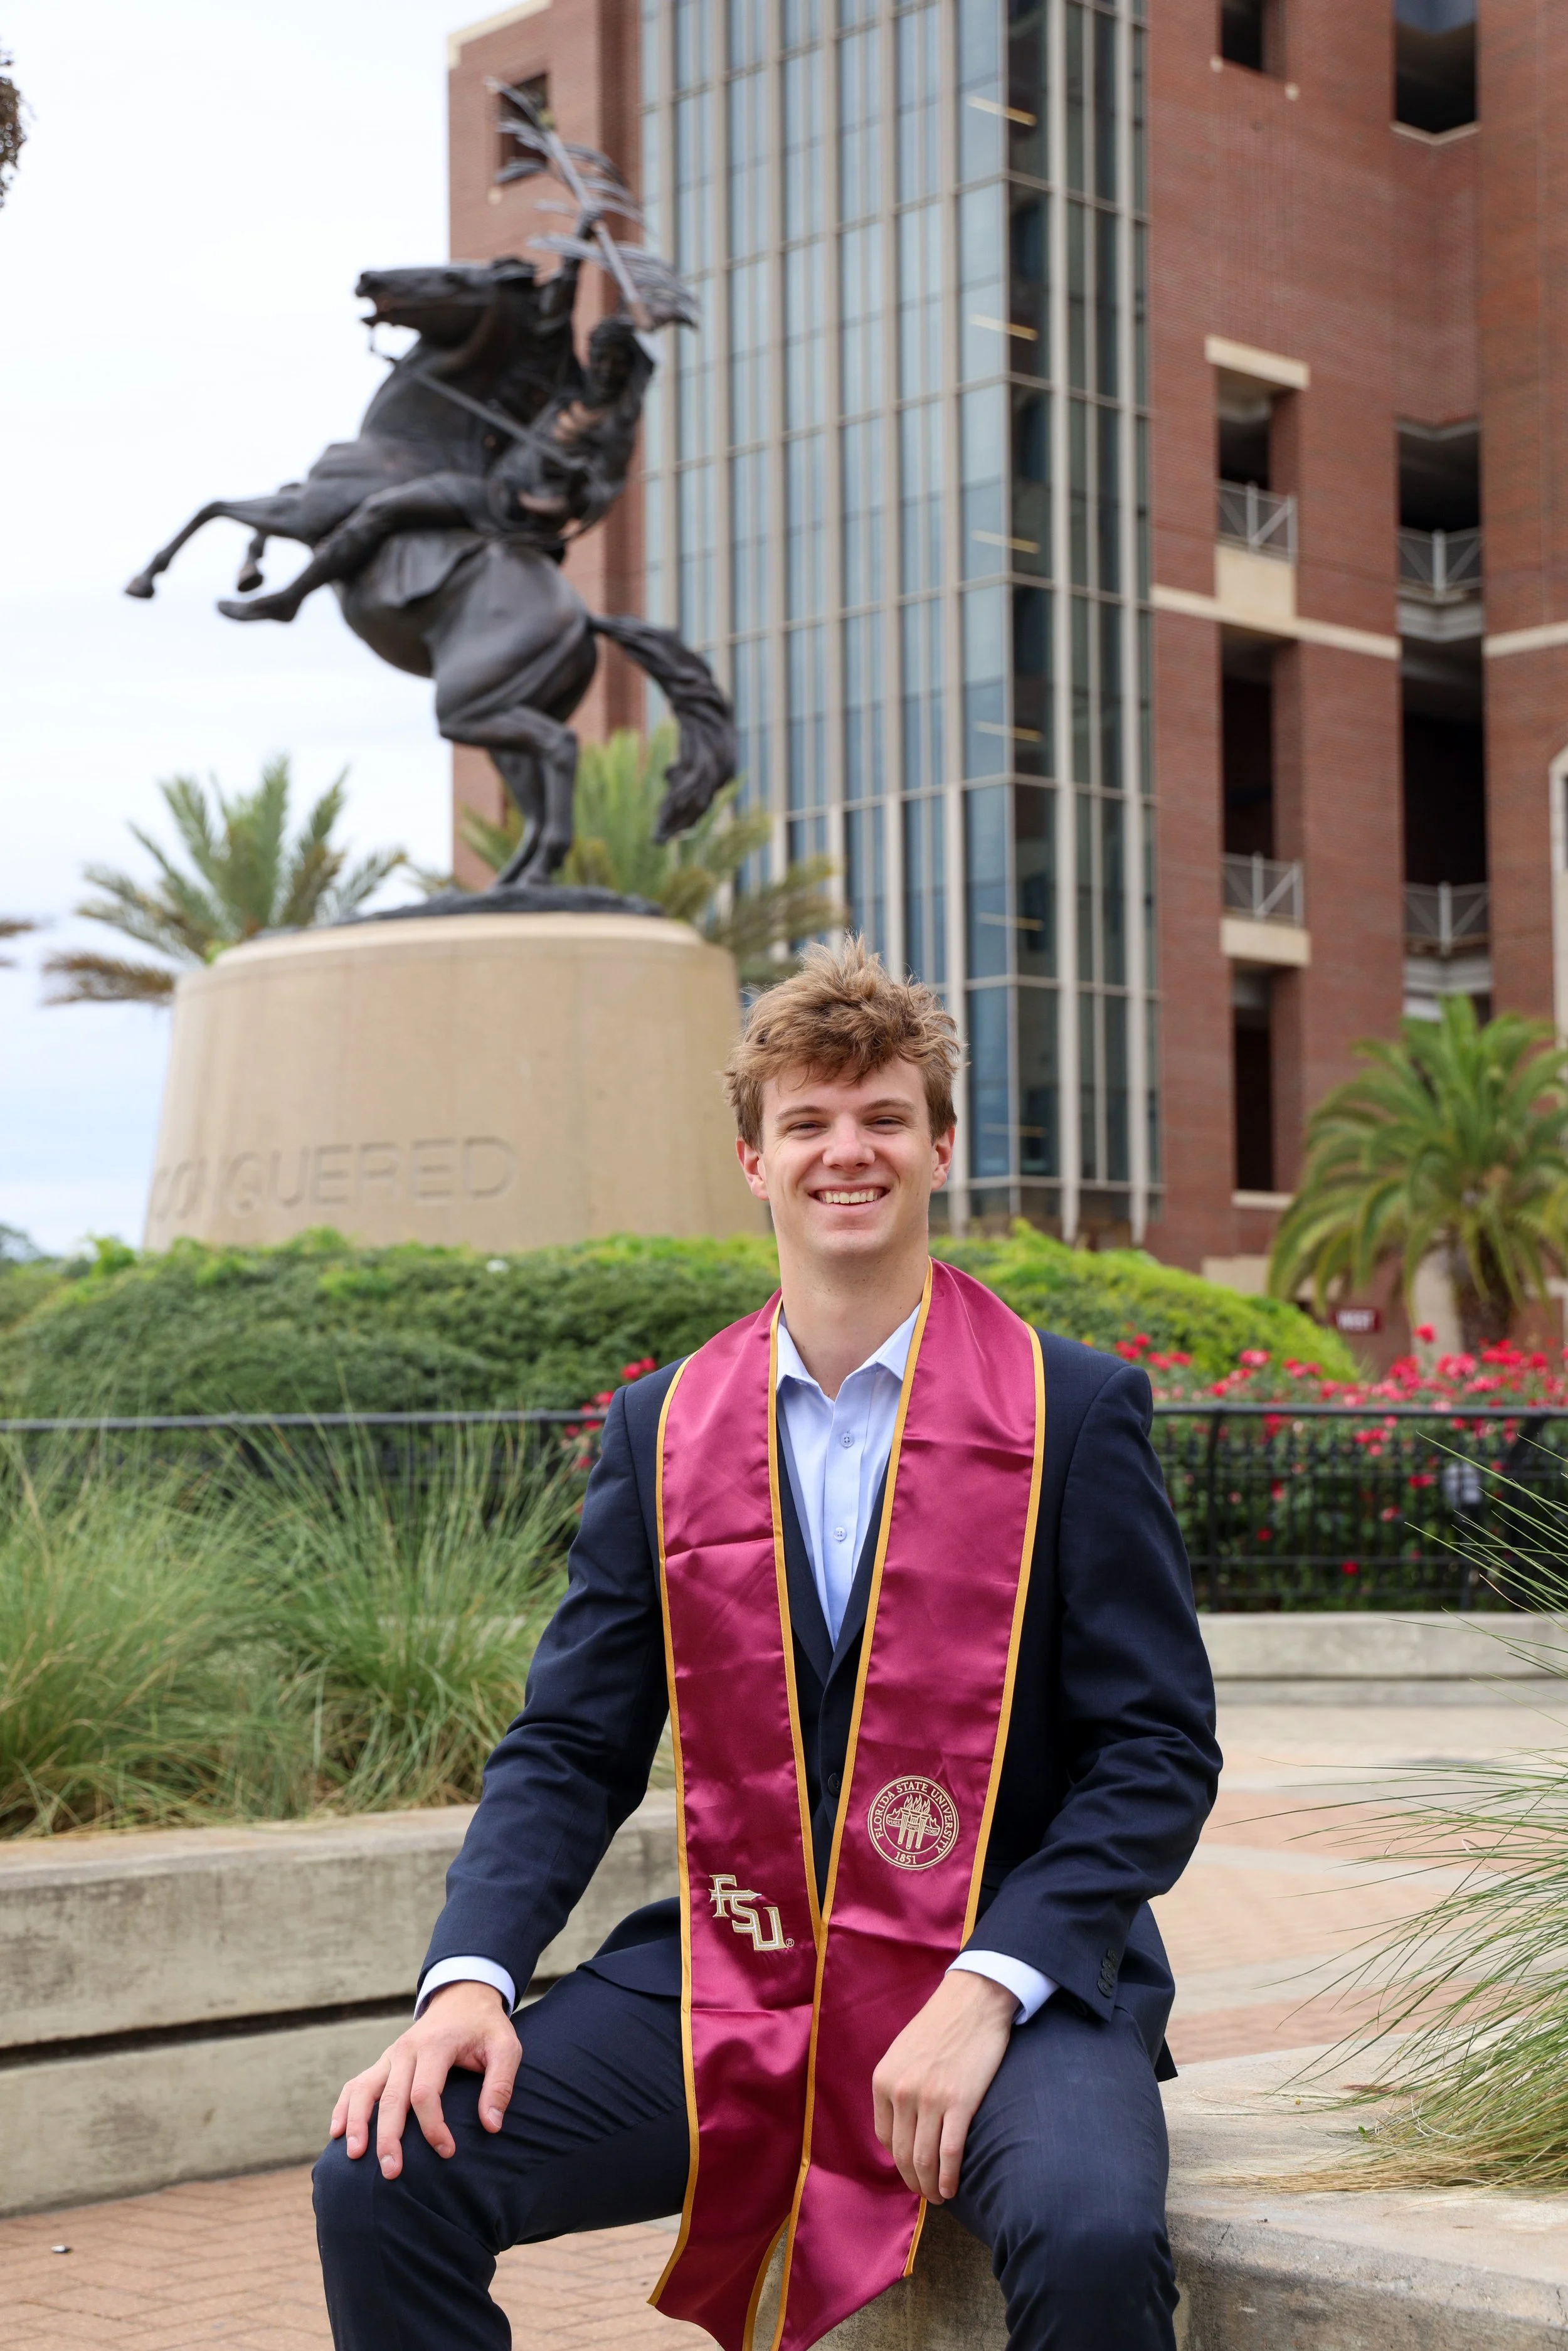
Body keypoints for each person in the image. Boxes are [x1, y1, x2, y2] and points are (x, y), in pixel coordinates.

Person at [312, 939, 1221, 2351]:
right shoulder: (665, 1426)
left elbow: (1155, 1747)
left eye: (879, 1119)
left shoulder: (1074, 1411)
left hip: (1013, 1973)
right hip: (742, 1958)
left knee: (1092, 2232)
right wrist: (469, 1978)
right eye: (806, 1121)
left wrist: (988, 1981)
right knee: (385, 2172)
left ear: (939, 1148)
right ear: (753, 1158)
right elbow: (570, 1740)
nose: (842, 1151)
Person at [218, 309, 655, 625]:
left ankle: (290, 598)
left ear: (628, 369)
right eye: (598, 358)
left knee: (382, 509)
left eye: (613, 362)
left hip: (509, 505)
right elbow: (551, 323)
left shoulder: (615, 430)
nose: (602, 369)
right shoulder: (567, 395)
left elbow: (600, 497)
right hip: (492, 480)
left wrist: (578, 488)